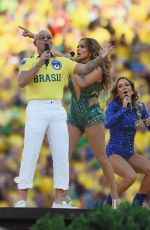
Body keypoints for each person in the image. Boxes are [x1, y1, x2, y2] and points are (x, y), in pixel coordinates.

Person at [15, 28, 113, 208]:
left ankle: (59, 200)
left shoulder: (62, 62)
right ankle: (22, 198)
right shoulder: (27, 61)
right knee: (30, 152)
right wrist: (39, 64)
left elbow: (84, 68)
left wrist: (101, 58)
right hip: (36, 108)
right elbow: (21, 82)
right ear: (35, 43)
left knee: (61, 154)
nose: (46, 40)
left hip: (57, 108)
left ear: (52, 42)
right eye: (41, 37)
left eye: (49, 37)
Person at [66, 37, 119, 208]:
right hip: (73, 115)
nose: (78, 49)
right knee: (63, 156)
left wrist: (69, 66)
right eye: (78, 46)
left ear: (91, 51)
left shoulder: (97, 69)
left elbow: (81, 83)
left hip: (92, 116)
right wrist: (37, 37)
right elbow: (57, 53)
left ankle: (115, 199)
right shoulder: (74, 63)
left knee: (102, 159)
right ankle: (63, 196)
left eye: (82, 46)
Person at [105, 76, 150, 206]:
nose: (124, 87)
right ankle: (109, 204)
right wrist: (123, 108)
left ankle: (138, 202)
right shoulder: (113, 106)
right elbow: (107, 123)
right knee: (130, 177)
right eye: (120, 86)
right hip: (114, 152)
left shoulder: (140, 107)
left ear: (131, 89)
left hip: (129, 152)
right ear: (117, 92)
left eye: (127, 85)